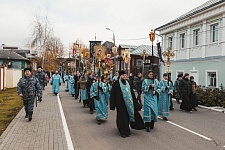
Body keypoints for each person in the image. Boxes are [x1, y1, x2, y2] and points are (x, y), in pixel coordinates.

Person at [110, 70, 145, 138]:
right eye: (123, 75)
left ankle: (126, 130)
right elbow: (112, 95)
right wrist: (112, 105)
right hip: (120, 104)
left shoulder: (128, 83)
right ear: (120, 76)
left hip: (129, 103)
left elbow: (132, 94)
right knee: (121, 117)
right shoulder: (116, 84)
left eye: (125, 75)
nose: (124, 76)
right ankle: (122, 131)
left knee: (127, 117)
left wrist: (136, 103)